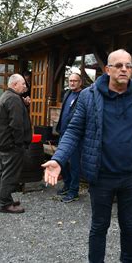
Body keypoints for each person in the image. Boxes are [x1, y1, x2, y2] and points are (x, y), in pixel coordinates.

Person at [42, 49, 132, 263]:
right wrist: (58, 159)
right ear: (107, 69)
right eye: (119, 65)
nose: (124, 69)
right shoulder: (89, 96)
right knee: (99, 226)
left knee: (129, 225)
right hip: (101, 175)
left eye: (129, 66)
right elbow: (74, 130)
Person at [0, 73, 32, 214]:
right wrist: (19, 144)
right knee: (9, 174)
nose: (25, 86)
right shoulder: (14, 99)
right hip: (11, 145)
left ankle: (3, 199)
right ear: (15, 84)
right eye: (23, 84)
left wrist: (25, 105)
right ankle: (5, 204)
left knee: (3, 172)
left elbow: (15, 116)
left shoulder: (7, 96)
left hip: (3, 143)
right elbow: (16, 124)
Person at [54, 72, 83, 203]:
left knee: (75, 164)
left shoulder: (84, 96)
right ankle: (67, 184)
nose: (72, 83)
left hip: (76, 136)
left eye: (75, 81)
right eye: (70, 80)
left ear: (80, 82)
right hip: (63, 134)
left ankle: (74, 191)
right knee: (62, 162)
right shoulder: (67, 94)